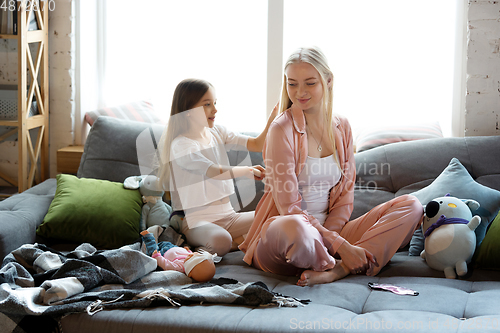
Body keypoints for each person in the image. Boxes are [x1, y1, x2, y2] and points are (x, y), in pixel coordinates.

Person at [239, 46, 424, 286]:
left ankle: (340, 269)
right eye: (292, 84)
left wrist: (335, 240)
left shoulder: (342, 126)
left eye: (310, 83)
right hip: (283, 236)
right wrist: (340, 246)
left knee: (412, 205)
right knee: (296, 227)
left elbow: (345, 198)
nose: (300, 92)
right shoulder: (281, 130)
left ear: (328, 81)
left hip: (329, 233)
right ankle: (336, 259)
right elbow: (290, 209)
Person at [157, 78, 278, 257]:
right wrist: (246, 171)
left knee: (276, 213)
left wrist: (273, 118)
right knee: (222, 240)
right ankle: (232, 242)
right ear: (189, 111)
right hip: (197, 221)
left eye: (214, 103)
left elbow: (256, 144)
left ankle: (238, 242)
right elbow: (212, 171)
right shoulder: (181, 145)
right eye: (207, 104)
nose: (215, 109)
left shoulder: (217, 132)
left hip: (229, 217)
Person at [140, 230, 216, 282]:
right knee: (164, 242)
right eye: (196, 254)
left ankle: (148, 237)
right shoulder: (190, 257)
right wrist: (188, 251)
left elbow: (166, 265)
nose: (192, 254)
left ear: (189, 272)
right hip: (172, 247)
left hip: (163, 253)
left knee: (152, 252)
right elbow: (189, 255)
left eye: (193, 258)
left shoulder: (179, 267)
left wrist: (157, 256)